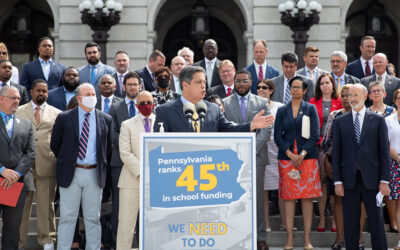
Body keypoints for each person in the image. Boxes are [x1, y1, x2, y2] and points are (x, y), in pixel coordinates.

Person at [50, 83, 113, 250]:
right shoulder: (64, 117)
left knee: (93, 217)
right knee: (67, 217)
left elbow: (108, 148)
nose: (93, 97)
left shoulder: (105, 119)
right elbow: (55, 144)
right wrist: (68, 161)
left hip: (94, 173)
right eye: (88, 94)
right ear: (79, 98)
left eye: (94, 94)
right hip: (71, 172)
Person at [332, 83, 390, 250]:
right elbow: (336, 154)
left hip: (373, 180)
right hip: (349, 180)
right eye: (349, 95)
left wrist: (384, 180)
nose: (352, 99)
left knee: (377, 222)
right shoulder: (339, 122)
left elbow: (384, 152)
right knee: (350, 223)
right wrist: (337, 182)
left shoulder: (378, 120)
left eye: (356, 95)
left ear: (365, 96)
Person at [222, 69, 272, 250]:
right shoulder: (225, 103)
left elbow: (266, 128)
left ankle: (259, 237)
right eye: (238, 81)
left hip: (256, 157)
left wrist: (250, 149)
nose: (241, 84)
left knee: (257, 199)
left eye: (244, 81)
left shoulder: (261, 102)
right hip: (231, 159)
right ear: (234, 82)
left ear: (251, 82)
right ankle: (234, 235)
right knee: (233, 198)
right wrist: (238, 151)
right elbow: (225, 129)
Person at [274, 76, 321, 249]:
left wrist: (301, 154)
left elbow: (315, 134)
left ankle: (306, 239)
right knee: (289, 198)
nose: (295, 90)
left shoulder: (310, 109)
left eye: (298, 87)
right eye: (292, 87)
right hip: (286, 158)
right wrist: (289, 153)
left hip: (307, 158)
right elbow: (277, 135)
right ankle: (289, 238)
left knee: (307, 198)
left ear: (304, 90)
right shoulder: (282, 110)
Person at [153, 65, 274, 133]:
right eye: (198, 82)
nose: (203, 86)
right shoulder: (164, 111)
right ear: (185, 85)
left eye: (204, 82)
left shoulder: (213, 109)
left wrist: (251, 125)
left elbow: (228, 129)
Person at [17, 80, 61, 250]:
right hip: (23, 165)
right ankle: (19, 241)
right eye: (38, 90)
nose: (42, 93)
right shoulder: (19, 111)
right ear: (31, 91)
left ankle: (47, 240)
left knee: (46, 206)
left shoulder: (57, 113)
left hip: (47, 163)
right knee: (21, 207)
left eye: (45, 91)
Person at [117, 90, 155, 250]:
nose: (146, 106)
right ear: (137, 105)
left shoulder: (162, 121)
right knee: (126, 225)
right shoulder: (127, 124)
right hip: (132, 181)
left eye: (149, 102)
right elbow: (125, 153)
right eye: (142, 103)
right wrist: (143, 172)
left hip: (156, 182)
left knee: (153, 225)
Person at [107, 71, 142, 245]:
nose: (132, 87)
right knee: (119, 207)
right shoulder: (114, 107)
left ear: (140, 86)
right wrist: (127, 144)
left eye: (135, 84)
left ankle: (141, 242)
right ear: (123, 86)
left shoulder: (147, 105)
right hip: (119, 163)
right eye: (129, 84)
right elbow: (113, 133)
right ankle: (116, 243)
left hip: (142, 163)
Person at [0, 85, 35, 250]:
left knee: (13, 229)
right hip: (1, 178)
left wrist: (16, 173)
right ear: (1, 98)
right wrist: (2, 170)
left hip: (16, 183)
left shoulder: (26, 124)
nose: (16, 102)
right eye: (12, 98)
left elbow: (31, 153)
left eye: (18, 99)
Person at [309, 73, 342, 233]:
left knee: (335, 183)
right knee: (322, 184)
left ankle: (335, 220)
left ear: (333, 85)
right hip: (318, 147)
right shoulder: (312, 102)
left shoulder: (340, 102)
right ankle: (322, 217)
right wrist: (320, 141)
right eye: (322, 83)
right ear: (318, 86)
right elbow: (310, 126)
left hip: (336, 149)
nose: (325, 85)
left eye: (327, 82)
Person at [321, 85, 351, 249]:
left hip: (356, 167)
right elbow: (326, 141)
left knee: (356, 203)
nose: (346, 99)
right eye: (344, 96)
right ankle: (339, 239)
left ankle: (356, 239)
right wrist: (326, 161)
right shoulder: (334, 115)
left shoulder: (361, 115)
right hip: (336, 164)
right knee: (337, 202)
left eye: (349, 95)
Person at [257, 79, 285, 232]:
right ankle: (266, 224)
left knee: (282, 188)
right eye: (258, 87)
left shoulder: (280, 107)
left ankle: (284, 223)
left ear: (271, 90)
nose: (261, 90)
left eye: (264, 88)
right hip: (261, 152)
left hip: (278, 152)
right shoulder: (253, 106)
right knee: (264, 191)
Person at [386, 89, 400, 250]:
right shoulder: (388, 120)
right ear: (395, 100)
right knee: (398, 204)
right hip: (395, 163)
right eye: (399, 98)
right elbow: (385, 142)